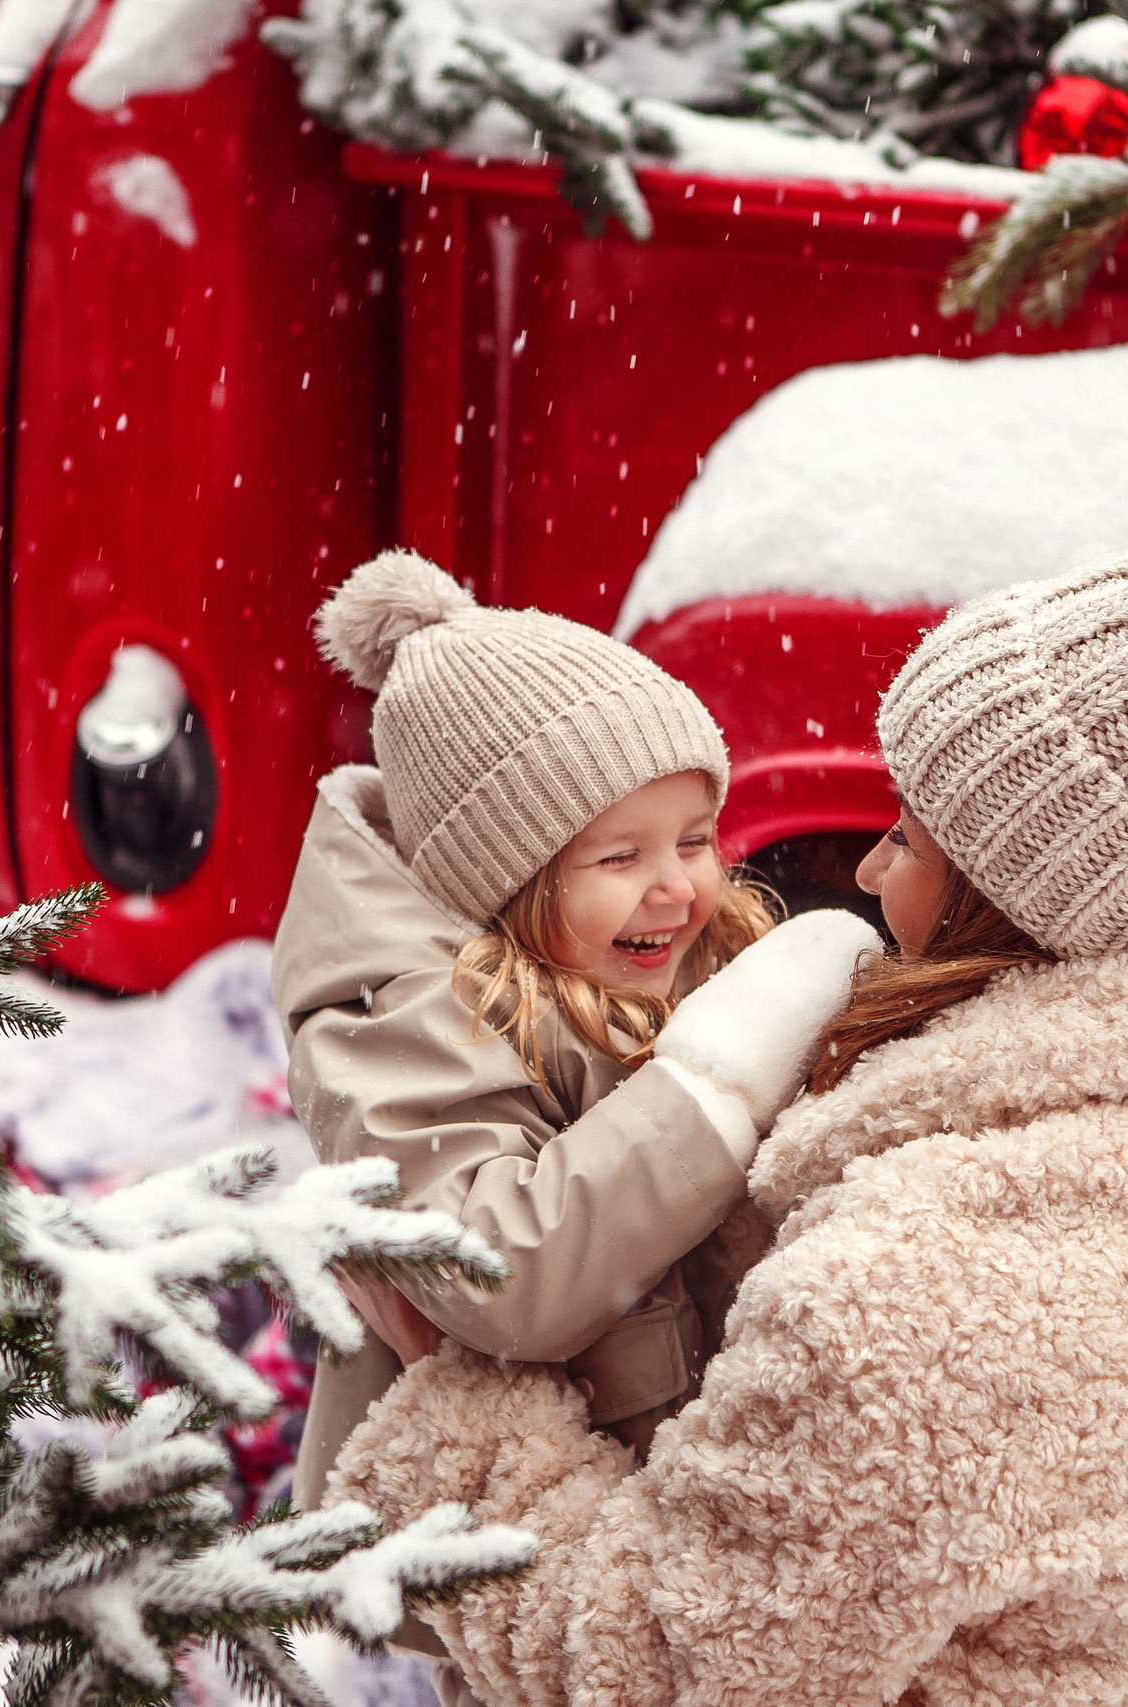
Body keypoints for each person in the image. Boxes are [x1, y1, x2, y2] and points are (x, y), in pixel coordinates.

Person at [329, 445, 1128, 1706]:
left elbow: (657, 1669)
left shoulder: (930, 1286)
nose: (870, 879)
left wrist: (460, 1425)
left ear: (1032, 903)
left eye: (909, 839)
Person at [271, 551, 880, 1697]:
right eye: (620, 856)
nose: (678, 888)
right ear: (503, 879)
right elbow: (505, 1275)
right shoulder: (398, 1023)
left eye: (695, 836)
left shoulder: (648, 952)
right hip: (513, 1526)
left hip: (657, 1502)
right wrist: (714, 1087)